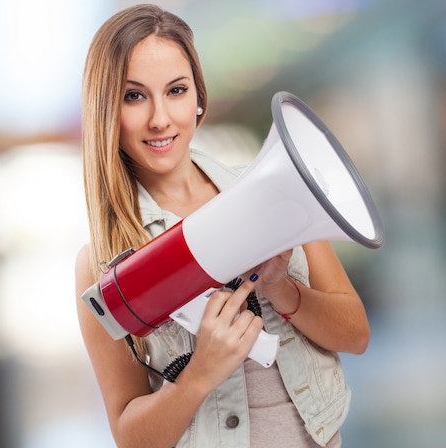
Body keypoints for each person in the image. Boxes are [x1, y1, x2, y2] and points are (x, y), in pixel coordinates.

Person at [75, 4, 370, 448]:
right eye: (133, 96)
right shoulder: (104, 262)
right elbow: (131, 437)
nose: (160, 118)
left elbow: (356, 334)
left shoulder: (277, 190)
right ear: (106, 110)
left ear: (199, 98)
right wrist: (201, 373)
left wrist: (281, 290)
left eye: (176, 90)